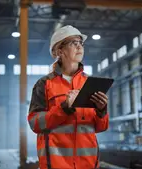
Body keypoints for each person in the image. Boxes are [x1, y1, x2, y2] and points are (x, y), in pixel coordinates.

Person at [27, 25, 109, 169]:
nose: (79, 47)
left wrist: (102, 110)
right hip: (56, 164)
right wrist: (65, 108)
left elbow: (100, 127)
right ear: (60, 51)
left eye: (80, 43)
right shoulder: (44, 84)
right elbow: (35, 123)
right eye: (73, 43)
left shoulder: (90, 84)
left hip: (88, 164)